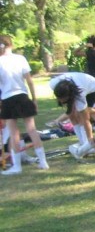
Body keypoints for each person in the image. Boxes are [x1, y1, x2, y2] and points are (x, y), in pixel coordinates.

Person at [0, 35, 50, 174]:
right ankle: (43, 162)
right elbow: (29, 81)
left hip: (8, 98)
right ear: (11, 45)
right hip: (22, 96)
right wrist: (34, 99)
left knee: (14, 132)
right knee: (32, 130)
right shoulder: (20, 58)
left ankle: (17, 167)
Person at [49, 72, 95, 159]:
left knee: (81, 116)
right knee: (72, 115)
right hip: (75, 84)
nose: (60, 101)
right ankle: (82, 143)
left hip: (91, 86)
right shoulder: (53, 83)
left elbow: (86, 120)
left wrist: (90, 138)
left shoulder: (80, 94)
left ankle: (86, 144)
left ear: (69, 96)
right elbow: (69, 112)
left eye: (61, 98)